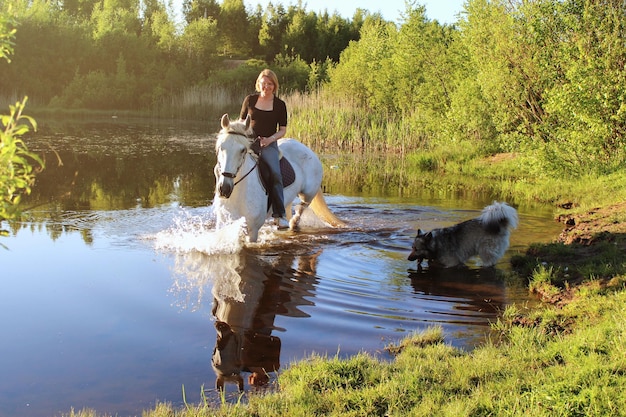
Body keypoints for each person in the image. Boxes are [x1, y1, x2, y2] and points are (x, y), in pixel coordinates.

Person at [239, 68, 289, 229]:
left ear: (275, 86)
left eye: (270, 84)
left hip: (268, 143)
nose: (266, 87)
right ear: (258, 83)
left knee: (275, 174)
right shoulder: (250, 100)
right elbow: (241, 122)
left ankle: (280, 214)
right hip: (248, 142)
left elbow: (282, 129)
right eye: (263, 83)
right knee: (228, 166)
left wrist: (269, 140)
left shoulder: (280, 105)